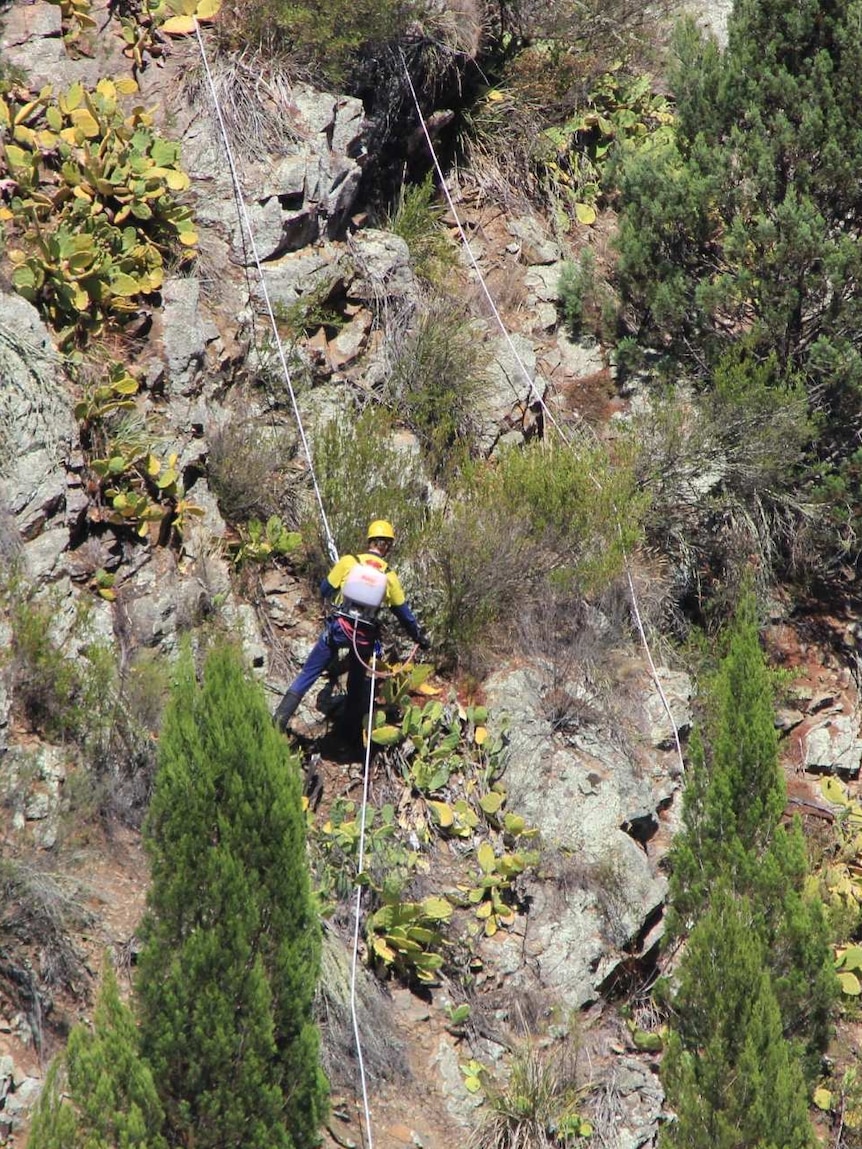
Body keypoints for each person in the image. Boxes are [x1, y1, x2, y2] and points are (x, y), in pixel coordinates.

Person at [274, 519, 430, 740]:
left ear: (369, 540)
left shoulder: (349, 562)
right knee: (356, 683)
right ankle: (346, 735)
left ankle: (279, 719)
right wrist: (419, 638)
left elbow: (325, 590)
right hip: (364, 638)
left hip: (339, 629)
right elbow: (403, 614)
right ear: (387, 546)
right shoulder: (389, 576)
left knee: (309, 672)